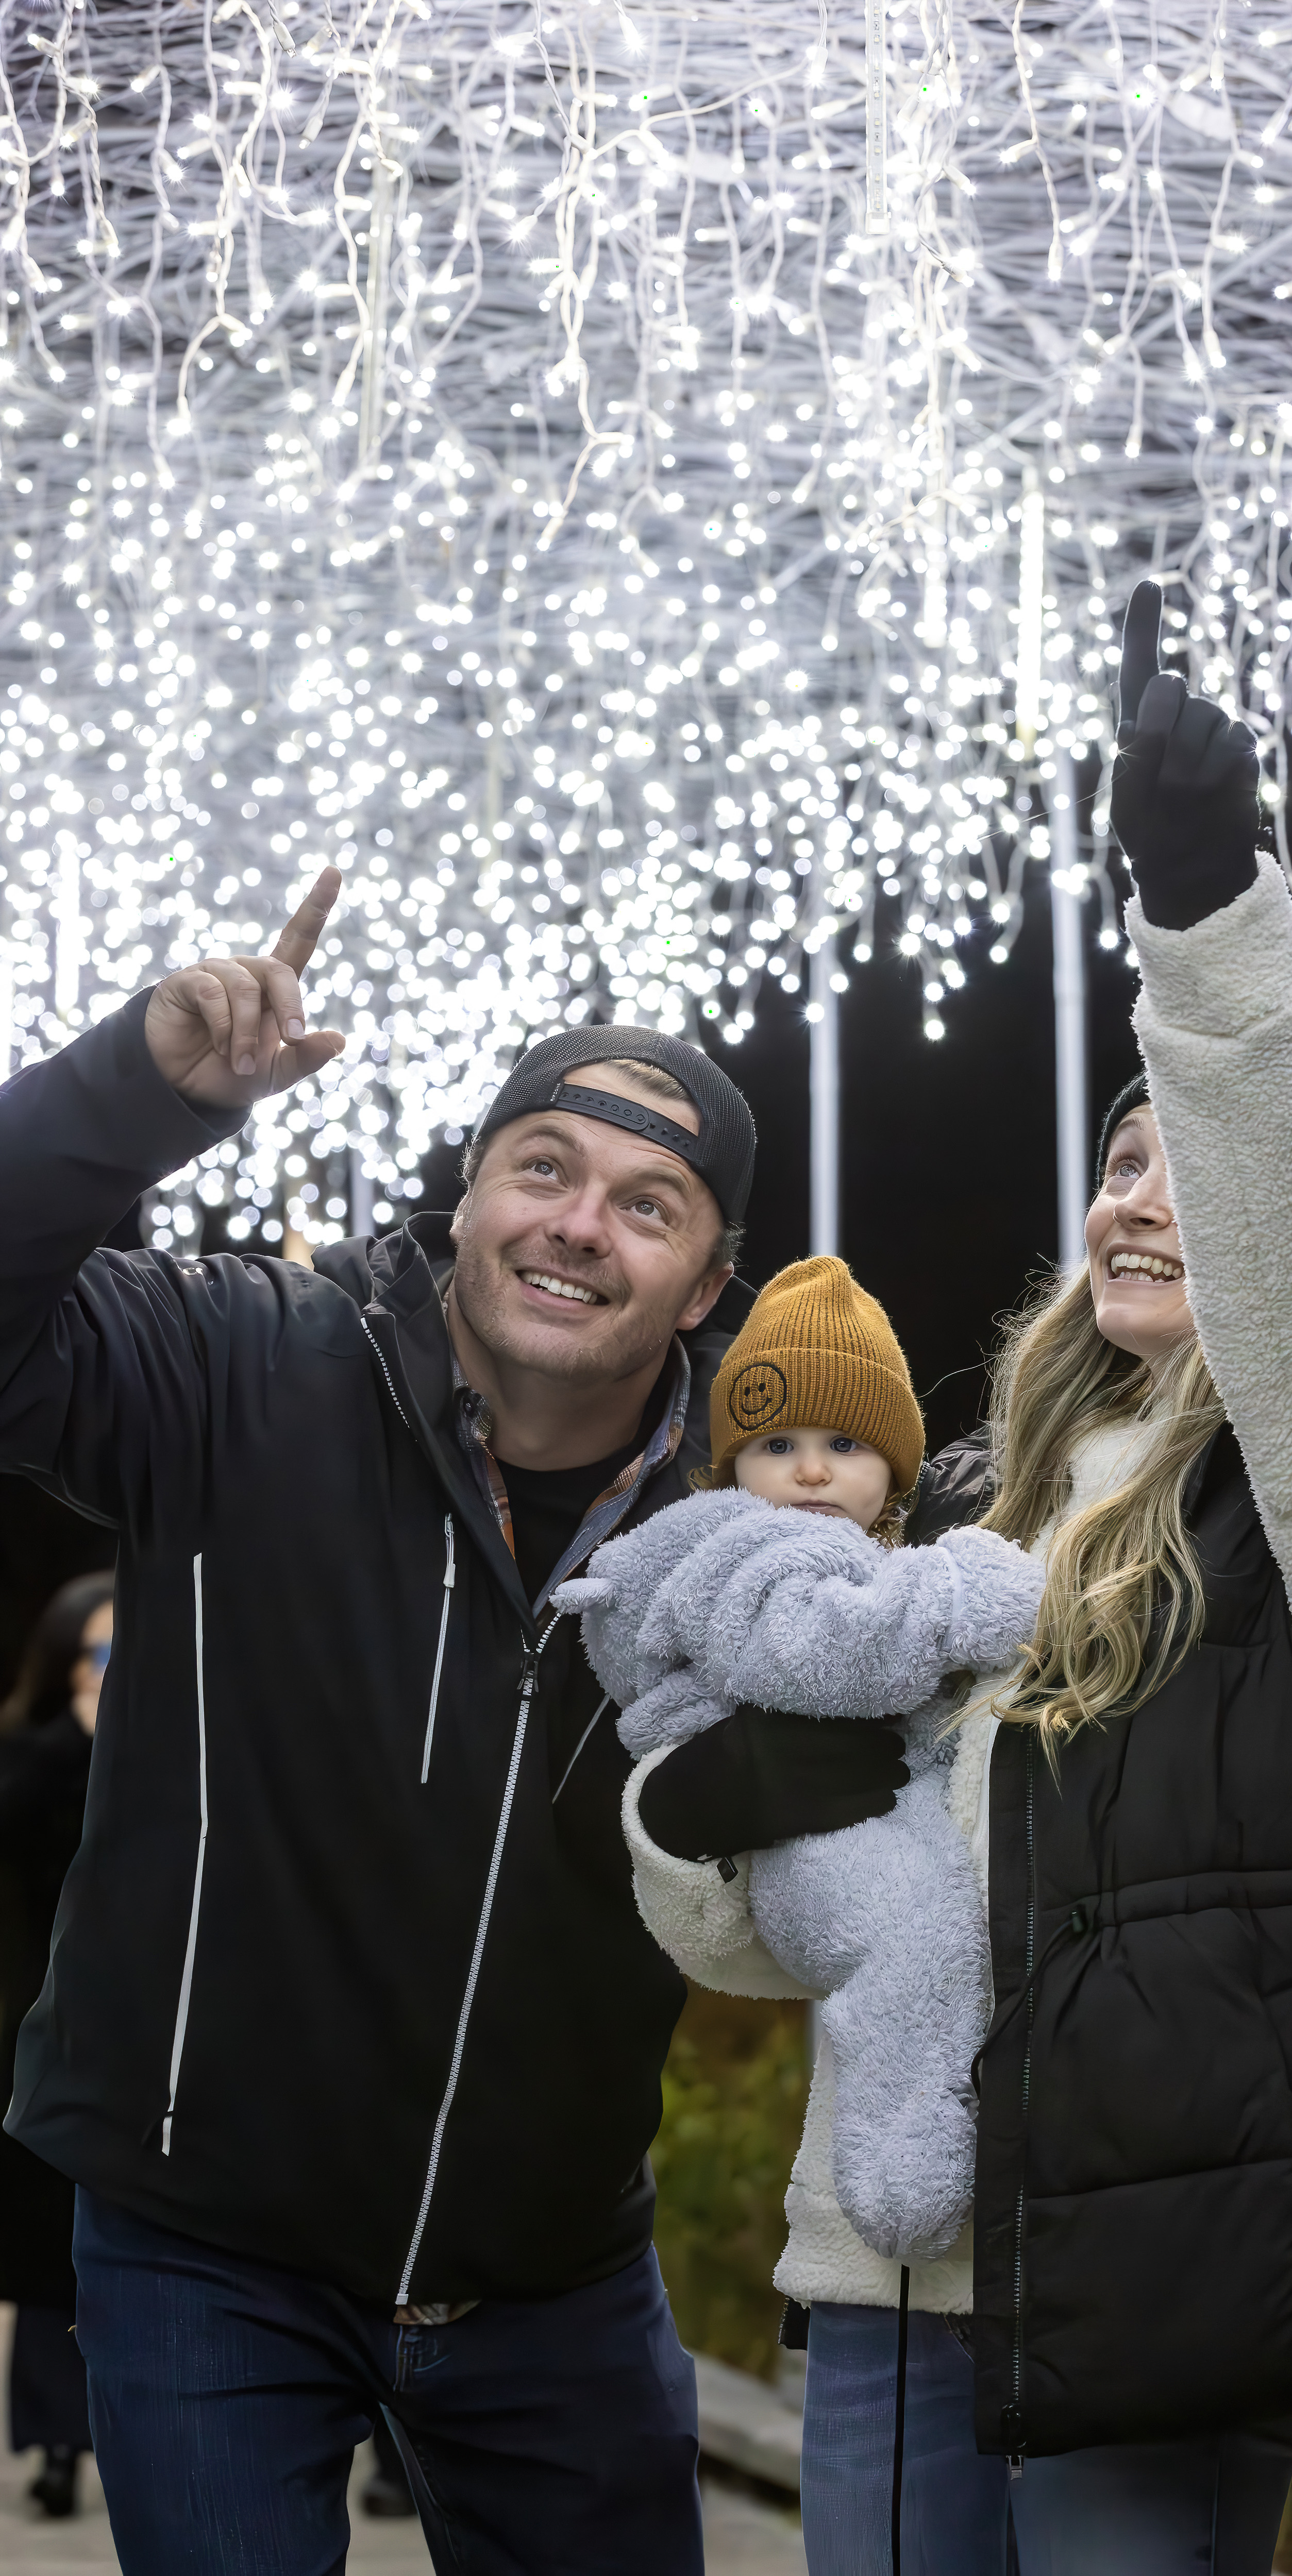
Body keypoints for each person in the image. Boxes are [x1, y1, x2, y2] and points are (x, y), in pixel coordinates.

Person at [627, 582, 1292, 2575]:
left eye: (1197, 1165)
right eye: (1124, 1161)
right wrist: (700, 1834)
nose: (1145, 1189)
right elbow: (783, 1939)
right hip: (885, 2267)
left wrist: (1212, 922)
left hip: (1172, 2278)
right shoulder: (956, 1517)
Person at [0, 864, 794, 2572]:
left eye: (648, 1206)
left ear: (710, 1284)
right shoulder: (235, 1364)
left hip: (557, 2280)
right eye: (545, 1169)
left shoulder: (746, 1528)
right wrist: (133, 1093)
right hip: (209, 2251)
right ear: (472, 1193)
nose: (581, 1223)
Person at [567, 1255, 1040, 2266]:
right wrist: (964, 1594)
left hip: (844, 1824)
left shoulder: (841, 1553)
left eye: (845, 1443)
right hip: (816, 1843)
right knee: (912, 1949)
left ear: (897, 1469)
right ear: (733, 1465)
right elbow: (826, 1654)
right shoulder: (761, 1552)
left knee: (922, 1956)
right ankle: (900, 2175)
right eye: (777, 1444)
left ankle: (914, 2156)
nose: (812, 1472)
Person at [0, 1570, 112, 2519]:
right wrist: (85, 1739)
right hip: (42, 2035)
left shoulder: (188, 1752)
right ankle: (52, 2445)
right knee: (49, 2261)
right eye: (101, 1655)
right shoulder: (32, 1755)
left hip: (161, 2050)